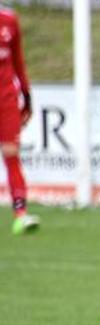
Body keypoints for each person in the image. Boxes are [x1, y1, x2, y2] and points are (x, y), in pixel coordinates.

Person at [0, 5, 37, 234]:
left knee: (11, 153)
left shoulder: (9, 20)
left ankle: (21, 214)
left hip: (6, 100)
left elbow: (18, 62)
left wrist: (27, 96)